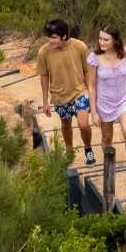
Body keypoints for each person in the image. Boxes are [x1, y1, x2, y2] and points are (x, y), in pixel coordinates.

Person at [84, 26, 126, 192]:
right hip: (104, 102)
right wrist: (94, 111)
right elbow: (92, 85)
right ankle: (109, 166)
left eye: (105, 39)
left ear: (115, 40)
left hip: (124, 98)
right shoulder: (94, 58)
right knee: (107, 138)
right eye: (100, 38)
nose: (101, 42)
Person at [36, 19, 96, 165]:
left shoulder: (79, 46)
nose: (50, 40)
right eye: (48, 37)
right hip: (59, 96)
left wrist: (91, 91)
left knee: (83, 124)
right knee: (66, 125)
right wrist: (45, 102)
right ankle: (69, 150)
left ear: (64, 36)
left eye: (54, 37)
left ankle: (88, 149)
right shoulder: (44, 52)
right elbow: (44, 76)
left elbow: (87, 70)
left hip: (79, 92)